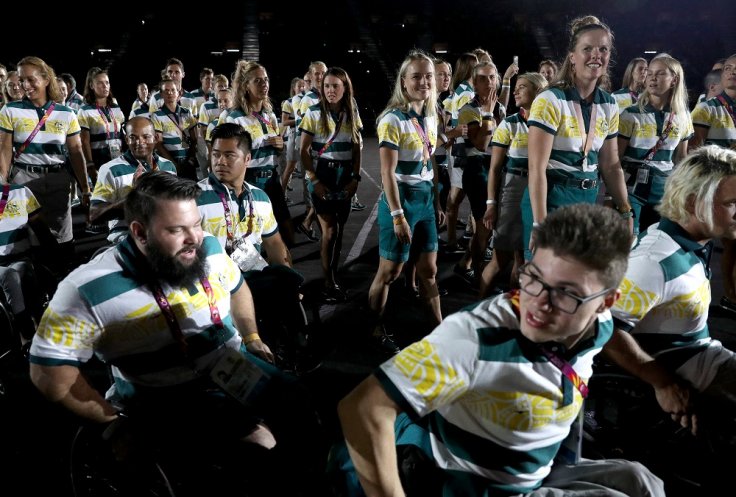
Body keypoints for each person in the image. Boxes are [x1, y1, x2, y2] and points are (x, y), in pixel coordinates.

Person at [338, 203, 665, 497]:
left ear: (605, 302)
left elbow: (607, 335)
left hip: (537, 468)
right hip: (473, 484)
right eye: (533, 277)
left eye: (566, 293)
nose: (537, 303)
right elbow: (362, 408)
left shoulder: (599, 322)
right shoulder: (477, 338)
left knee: (643, 481)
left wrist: (661, 380)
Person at [608, 145, 736, 431]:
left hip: (706, 357)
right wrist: (662, 382)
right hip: (700, 372)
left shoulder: (691, 242)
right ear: (693, 203)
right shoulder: (655, 262)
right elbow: (603, 329)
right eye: (731, 203)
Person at [197, 123, 315, 372]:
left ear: (247, 159)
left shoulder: (260, 197)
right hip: (214, 285)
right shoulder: (194, 198)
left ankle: (291, 349)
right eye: (216, 154)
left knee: (284, 281)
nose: (220, 161)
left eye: (229, 155)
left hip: (251, 278)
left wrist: (291, 286)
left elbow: (274, 246)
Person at [524, 16, 633, 260]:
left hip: (587, 201)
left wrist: (625, 211)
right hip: (552, 199)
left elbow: (611, 164)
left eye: (603, 49)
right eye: (588, 49)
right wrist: (540, 225)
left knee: (574, 285)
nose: (597, 55)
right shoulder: (550, 99)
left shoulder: (609, 103)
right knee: (543, 284)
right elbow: (536, 168)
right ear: (572, 57)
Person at [367, 50, 443, 354]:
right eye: (416, 76)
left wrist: (435, 201)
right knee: (390, 272)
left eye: (428, 76)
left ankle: (438, 330)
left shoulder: (430, 114)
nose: (423, 81)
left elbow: (430, 163)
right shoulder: (392, 119)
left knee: (429, 270)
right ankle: (374, 328)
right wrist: (398, 215)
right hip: (401, 201)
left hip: (424, 199)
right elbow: (387, 172)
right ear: (404, 80)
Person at [0, 57, 91, 262]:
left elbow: (76, 152)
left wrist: (85, 188)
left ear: (46, 79)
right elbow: (4, 149)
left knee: (63, 237)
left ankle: (62, 281)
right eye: (22, 80)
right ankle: (38, 289)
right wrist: (3, 184)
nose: (25, 85)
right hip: (23, 179)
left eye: (31, 80)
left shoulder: (66, 113)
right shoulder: (10, 110)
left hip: (58, 179)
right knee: (30, 237)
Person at [480, 72, 548, 298]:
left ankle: (515, 311)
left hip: (539, 190)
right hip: (514, 188)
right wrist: (491, 203)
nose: (515, 91)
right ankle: (476, 309)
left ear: (537, 92)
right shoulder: (510, 124)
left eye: (522, 87)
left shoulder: (550, 123)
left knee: (526, 261)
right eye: (515, 87)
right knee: (501, 259)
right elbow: (494, 169)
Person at [300, 67, 362, 303]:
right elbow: (303, 150)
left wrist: (355, 179)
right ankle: (328, 281)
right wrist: (314, 180)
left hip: (345, 176)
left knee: (339, 231)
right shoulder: (313, 113)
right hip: (323, 175)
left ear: (345, 88)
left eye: (336, 86)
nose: (330, 90)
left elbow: (357, 147)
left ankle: (332, 274)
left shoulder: (352, 112)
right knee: (330, 231)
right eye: (327, 86)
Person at [618, 55, 693, 235]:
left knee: (655, 241)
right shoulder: (630, 113)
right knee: (629, 240)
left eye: (659, 74)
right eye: (650, 73)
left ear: (674, 80)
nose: (652, 78)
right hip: (632, 187)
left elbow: (681, 159)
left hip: (664, 188)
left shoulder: (683, 116)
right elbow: (616, 158)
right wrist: (611, 196)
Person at [226, 60, 293, 246]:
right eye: (258, 81)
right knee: (253, 239)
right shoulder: (235, 118)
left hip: (272, 180)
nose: (264, 84)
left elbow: (276, 152)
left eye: (266, 80)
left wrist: (280, 145)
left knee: (287, 236)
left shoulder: (269, 115)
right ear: (246, 86)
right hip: (250, 181)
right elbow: (231, 155)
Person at [690, 53, 736, 312]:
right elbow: (694, 155)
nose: (731, 73)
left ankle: (731, 295)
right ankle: (698, 294)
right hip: (714, 188)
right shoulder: (707, 109)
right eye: (728, 68)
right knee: (704, 244)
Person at [454, 61, 505, 287]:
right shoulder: (468, 110)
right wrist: (486, 114)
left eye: (492, 77)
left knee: (489, 228)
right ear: (474, 83)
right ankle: (476, 273)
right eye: (483, 78)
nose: (489, 83)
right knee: (484, 228)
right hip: (478, 171)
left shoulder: (500, 109)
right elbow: (481, 144)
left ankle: (464, 264)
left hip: (496, 169)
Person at [90, 116, 178, 243]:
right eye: (133, 137)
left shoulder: (168, 166)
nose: (139, 142)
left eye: (146, 136)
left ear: (156, 138)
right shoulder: (111, 169)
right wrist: (135, 195)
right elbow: (94, 215)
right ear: (126, 139)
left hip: (163, 234)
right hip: (126, 236)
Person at [78, 67, 126, 184]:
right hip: (99, 162)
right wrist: (90, 165)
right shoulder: (84, 111)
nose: (105, 86)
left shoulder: (115, 107)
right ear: (91, 86)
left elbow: (122, 134)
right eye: (100, 83)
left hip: (119, 159)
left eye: (107, 82)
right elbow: (84, 141)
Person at [151, 76, 199, 180]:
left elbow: (195, 139)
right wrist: (173, 164)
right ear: (161, 94)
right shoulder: (156, 115)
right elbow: (158, 144)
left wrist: (190, 160)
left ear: (178, 92)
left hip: (188, 163)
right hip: (169, 165)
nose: (170, 93)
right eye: (166, 90)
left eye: (173, 90)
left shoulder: (187, 112)